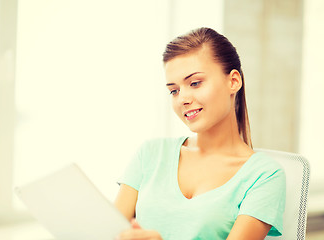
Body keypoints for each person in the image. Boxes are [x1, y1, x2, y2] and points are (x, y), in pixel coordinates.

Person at [114, 27, 286, 240]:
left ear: (233, 81)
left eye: (195, 83)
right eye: (174, 90)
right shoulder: (149, 154)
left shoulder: (264, 176)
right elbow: (110, 232)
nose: (182, 98)